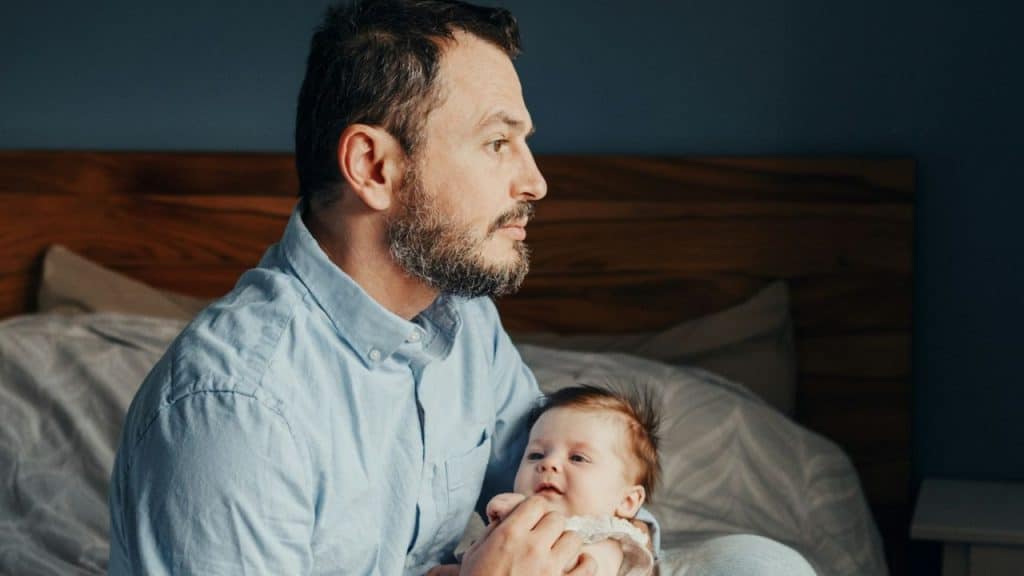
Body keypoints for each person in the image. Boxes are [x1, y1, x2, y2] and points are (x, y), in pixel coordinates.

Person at [106, 1, 651, 574]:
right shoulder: (236, 408)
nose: (535, 182)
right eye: (497, 143)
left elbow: (580, 492)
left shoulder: (466, 320)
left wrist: (609, 550)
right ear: (373, 167)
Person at [486, 385, 661, 576]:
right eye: (536, 455)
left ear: (627, 501)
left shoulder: (607, 540)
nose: (548, 462)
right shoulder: (519, 528)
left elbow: (577, 567)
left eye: (577, 458)